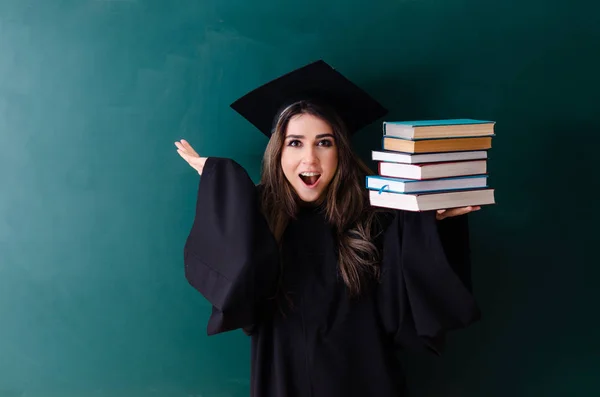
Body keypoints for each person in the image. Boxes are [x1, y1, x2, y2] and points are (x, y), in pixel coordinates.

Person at [175, 60, 482, 397]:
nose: (310, 160)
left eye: (324, 142)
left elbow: (405, 311)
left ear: (341, 151)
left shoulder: (377, 216)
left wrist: (427, 222)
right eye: (295, 143)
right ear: (277, 152)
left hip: (368, 383)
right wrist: (225, 184)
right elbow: (241, 294)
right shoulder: (259, 219)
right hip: (282, 382)